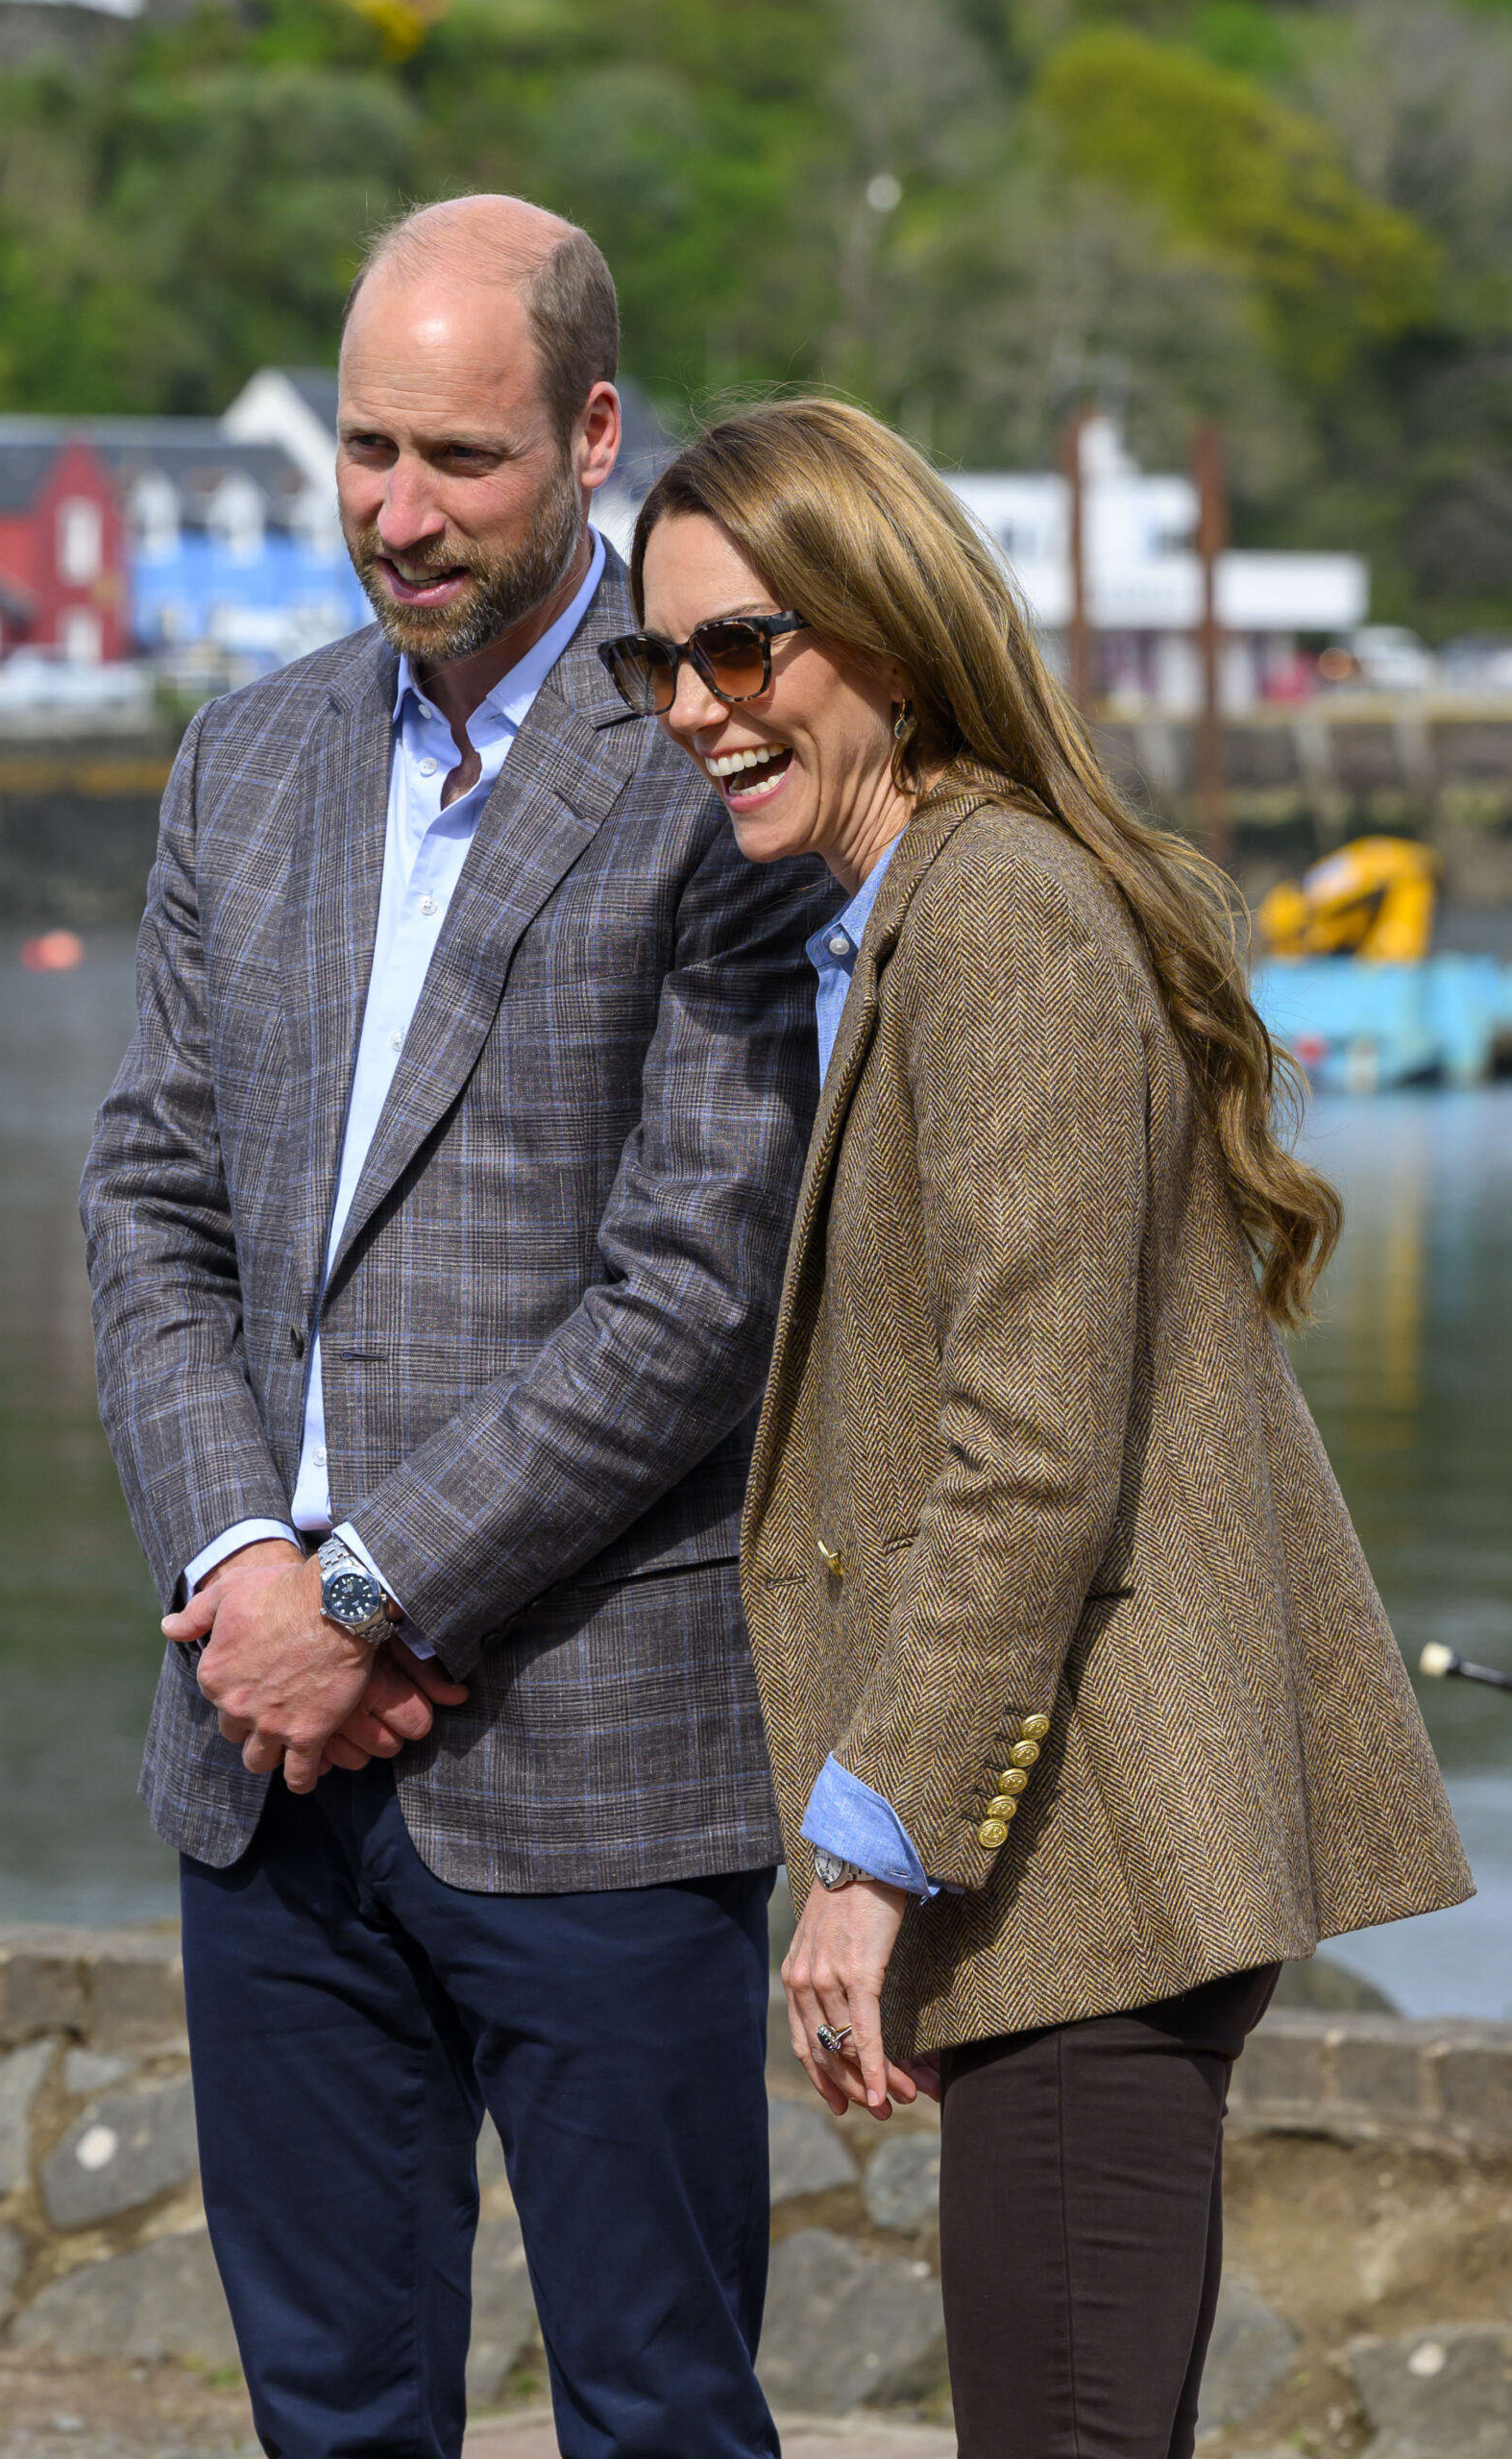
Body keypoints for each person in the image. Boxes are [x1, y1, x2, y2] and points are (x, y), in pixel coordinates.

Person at [601, 396, 1474, 2459]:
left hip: (1097, 1871)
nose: (694, 709)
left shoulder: (990, 915)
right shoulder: (923, 907)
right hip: (1083, 1870)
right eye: (660, 660)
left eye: (746, 648)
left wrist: (862, 1852)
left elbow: (1029, 1449)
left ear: (886, 635)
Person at [81, 202, 836, 2459]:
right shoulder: (249, 755)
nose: (395, 512)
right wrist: (242, 1568)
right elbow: (147, 1199)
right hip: (259, 1761)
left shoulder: (718, 765)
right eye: (363, 447)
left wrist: (370, 1590)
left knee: (661, 2411)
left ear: (594, 436)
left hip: (593, 1757)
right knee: (328, 2409)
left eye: (461, 459)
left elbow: (699, 1281)